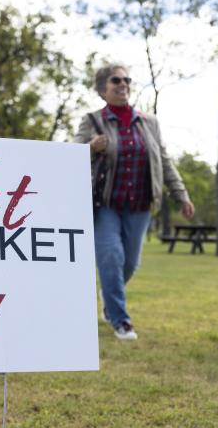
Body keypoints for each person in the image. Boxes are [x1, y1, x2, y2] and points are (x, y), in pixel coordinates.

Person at [75, 63, 195, 341]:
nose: (123, 84)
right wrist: (90, 148)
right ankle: (121, 320)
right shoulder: (92, 121)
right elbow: (70, 155)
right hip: (106, 205)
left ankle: (109, 297)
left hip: (141, 205)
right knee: (111, 258)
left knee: (129, 263)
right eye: (116, 80)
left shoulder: (148, 122)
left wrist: (181, 195)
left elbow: (163, 161)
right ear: (103, 89)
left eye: (127, 80)